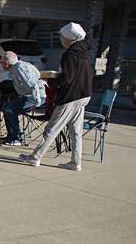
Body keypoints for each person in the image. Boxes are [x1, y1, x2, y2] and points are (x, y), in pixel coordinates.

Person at [19, 22, 93, 171]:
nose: (61, 39)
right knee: (76, 130)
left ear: (69, 38)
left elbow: (67, 78)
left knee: (51, 129)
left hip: (71, 96)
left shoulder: (70, 54)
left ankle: (36, 157)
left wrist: (49, 81)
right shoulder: (84, 53)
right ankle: (75, 162)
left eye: (62, 37)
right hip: (84, 95)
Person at [0, 51, 46, 146]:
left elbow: (33, 85)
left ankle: (17, 138)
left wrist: (37, 102)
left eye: (2, 63)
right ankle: (12, 135)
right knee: (6, 107)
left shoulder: (19, 69)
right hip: (29, 95)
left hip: (36, 96)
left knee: (9, 110)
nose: (1, 65)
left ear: (7, 64)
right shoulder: (18, 67)